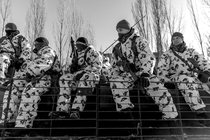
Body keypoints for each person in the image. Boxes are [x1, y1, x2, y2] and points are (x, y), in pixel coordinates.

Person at [110, 19, 179, 136]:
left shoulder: (138, 40)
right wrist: (112, 78)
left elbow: (147, 57)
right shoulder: (116, 49)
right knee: (116, 83)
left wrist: (145, 74)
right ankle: (131, 126)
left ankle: (174, 128)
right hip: (126, 76)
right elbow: (114, 67)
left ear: (127, 29)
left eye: (121, 29)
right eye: (117, 30)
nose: (119, 32)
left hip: (143, 74)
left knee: (162, 93)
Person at [6, 37, 61, 136]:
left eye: (39, 43)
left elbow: (44, 63)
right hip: (35, 77)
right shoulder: (35, 55)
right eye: (36, 43)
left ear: (44, 44)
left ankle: (23, 125)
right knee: (15, 87)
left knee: (30, 91)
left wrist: (30, 72)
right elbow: (27, 66)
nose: (36, 45)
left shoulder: (48, 51)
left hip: (46, 78)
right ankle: (10, 121)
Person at [157, 32, 210, 127]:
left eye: (177, 38)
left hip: (194, 77)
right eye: (173, 38)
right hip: (178, 78)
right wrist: (166, 81)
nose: (175, 40)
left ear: (182, 39)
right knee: (185, 80)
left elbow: (202, 62)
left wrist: (206, 72)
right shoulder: (167, 54)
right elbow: (161, 70)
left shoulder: (191, 52)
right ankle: (201, 113)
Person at [56, 37, 102, 119]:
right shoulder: (76, 55)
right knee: (64, 78)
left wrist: (83, 72)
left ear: (85, 45)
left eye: (80, 45)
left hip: (91, 75)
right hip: (78, 76)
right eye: (77, 45)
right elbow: (73, 70)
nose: (78, 47)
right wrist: (73, 66)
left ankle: (76, 110)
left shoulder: (93, 52)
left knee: (84, 79)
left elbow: (97, 67)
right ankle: (62, 109)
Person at [0, 22, 32, 126]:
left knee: (3, 59)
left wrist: (21, 59)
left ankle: (1, 79)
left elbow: (27, 49)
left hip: (13, 58)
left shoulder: (20, 38)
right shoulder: (2, 40)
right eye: (7, 31)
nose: (9, 33)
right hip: (2, 55)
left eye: (10, 31)